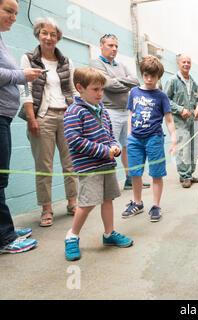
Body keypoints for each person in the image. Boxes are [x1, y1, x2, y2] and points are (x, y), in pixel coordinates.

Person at [63, 66, 133, 261]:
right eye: (95, 89)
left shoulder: (102, 110)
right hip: (89, 167)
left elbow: (109, 135)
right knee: (86, 204)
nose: (100, 94)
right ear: (80, 88)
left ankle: (109, 234)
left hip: (106, 165)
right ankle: (72, 236)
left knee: (108, 199)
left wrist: (114, 146)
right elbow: (75, 141)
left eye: (102, 89)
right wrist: (104, 151)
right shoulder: (74, 112)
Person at [20, 17, 78, 227]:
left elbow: (72, 90)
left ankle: (73, 202)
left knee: (70, 163)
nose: (49, 37)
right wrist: (31, 117)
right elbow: (25, 90)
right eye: (45, 33)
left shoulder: (66, 62)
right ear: (38, 34)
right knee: (43, 165)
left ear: (58, 38)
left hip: (67, 115)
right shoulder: (28, 58)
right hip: (42, 116)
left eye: (53, 34)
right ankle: (46, 207)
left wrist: (75, 115)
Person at [0, 0, 42, 254]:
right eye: (9, 11)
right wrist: (22, 75)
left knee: (2, 178)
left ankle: (6, 228)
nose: (14, 17)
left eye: (16, 13)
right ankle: (5, 237)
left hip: (4, 116)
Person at [90, 34, 149, 190]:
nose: (114, 48)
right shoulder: (96, 63)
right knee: (110, 147)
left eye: (116, 46)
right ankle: (107, 184)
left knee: (128, 147)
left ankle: (131, 179)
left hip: (126, 111)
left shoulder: (121, 65)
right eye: (110, 45)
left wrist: (117, 82)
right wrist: (124, 83)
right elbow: (108, 85)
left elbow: (135, 81)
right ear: (101, 46)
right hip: (110, 111)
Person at [122, 56, 177, 221]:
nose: (149, 79)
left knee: (156, 173)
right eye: (146, 75)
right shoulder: (134, 92)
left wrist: (174, 139)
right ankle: (137, 203)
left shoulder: (161, 96)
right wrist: (129, 135)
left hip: (154, 138)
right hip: (135, 139)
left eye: (153, 76)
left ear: (158, 76)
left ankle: (156, 205)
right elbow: (130, 114)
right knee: (135, 173)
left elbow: (168, 120)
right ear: (142, 74)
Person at [164, 54, 198, 188]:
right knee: (183, 148)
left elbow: (196, 100)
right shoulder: (172, 80)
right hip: (178, 121)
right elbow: (165, 100)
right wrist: (180, 109)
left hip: (192, 120)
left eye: (188, 62)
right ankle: (184, 176)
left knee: (192, 147)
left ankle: (190, 174)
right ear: (178, 64)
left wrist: (197, 108)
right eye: (183, 62)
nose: (186, 64)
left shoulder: (194, 83)